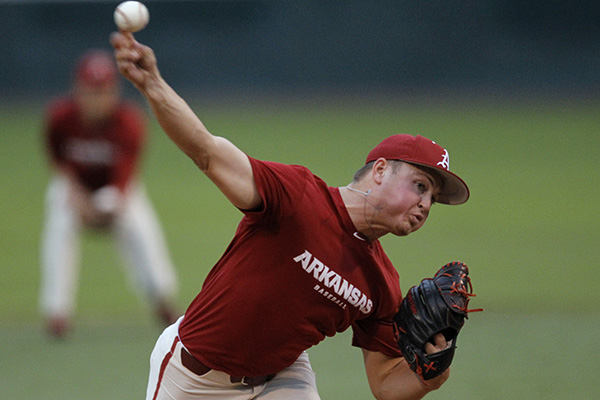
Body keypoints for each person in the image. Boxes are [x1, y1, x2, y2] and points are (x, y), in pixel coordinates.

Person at [111, 31, 471, 400]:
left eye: (433, 197)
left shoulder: (381, 283)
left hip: (283, 378)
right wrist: (152, 84)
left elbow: (385, 386)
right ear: (380, 171)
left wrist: (432, 375)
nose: (426, 204)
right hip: (194, 377)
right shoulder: (298, 196)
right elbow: (208, 152)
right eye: (421, 185)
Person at [39, 49, 179, 339]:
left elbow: (123, 180)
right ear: (77, 89)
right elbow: (58, 161)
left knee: (142, 230)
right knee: (59, 218)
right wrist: (76, 196)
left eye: (102, 90)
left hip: (117, 190)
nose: (96, 97)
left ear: (114, 91)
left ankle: (162, 300)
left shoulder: (129, 122)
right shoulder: (59, 117)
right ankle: (57, 311)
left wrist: (103, 208)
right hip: (75, 187)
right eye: (90, 90)